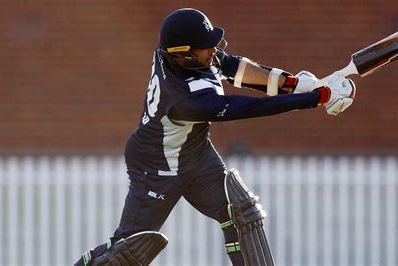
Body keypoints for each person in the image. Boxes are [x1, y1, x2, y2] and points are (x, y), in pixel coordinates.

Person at [74, 7, 355, 266]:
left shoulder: (178, 54)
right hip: (157, 167)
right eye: (204, 50)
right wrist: (315, 97)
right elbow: (248, 108)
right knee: (127, 250)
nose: (212, 52)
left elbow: (233, 67)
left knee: (240, 211)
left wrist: (290, 83)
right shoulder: (185, 99)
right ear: (181, 54)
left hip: (195, 153)